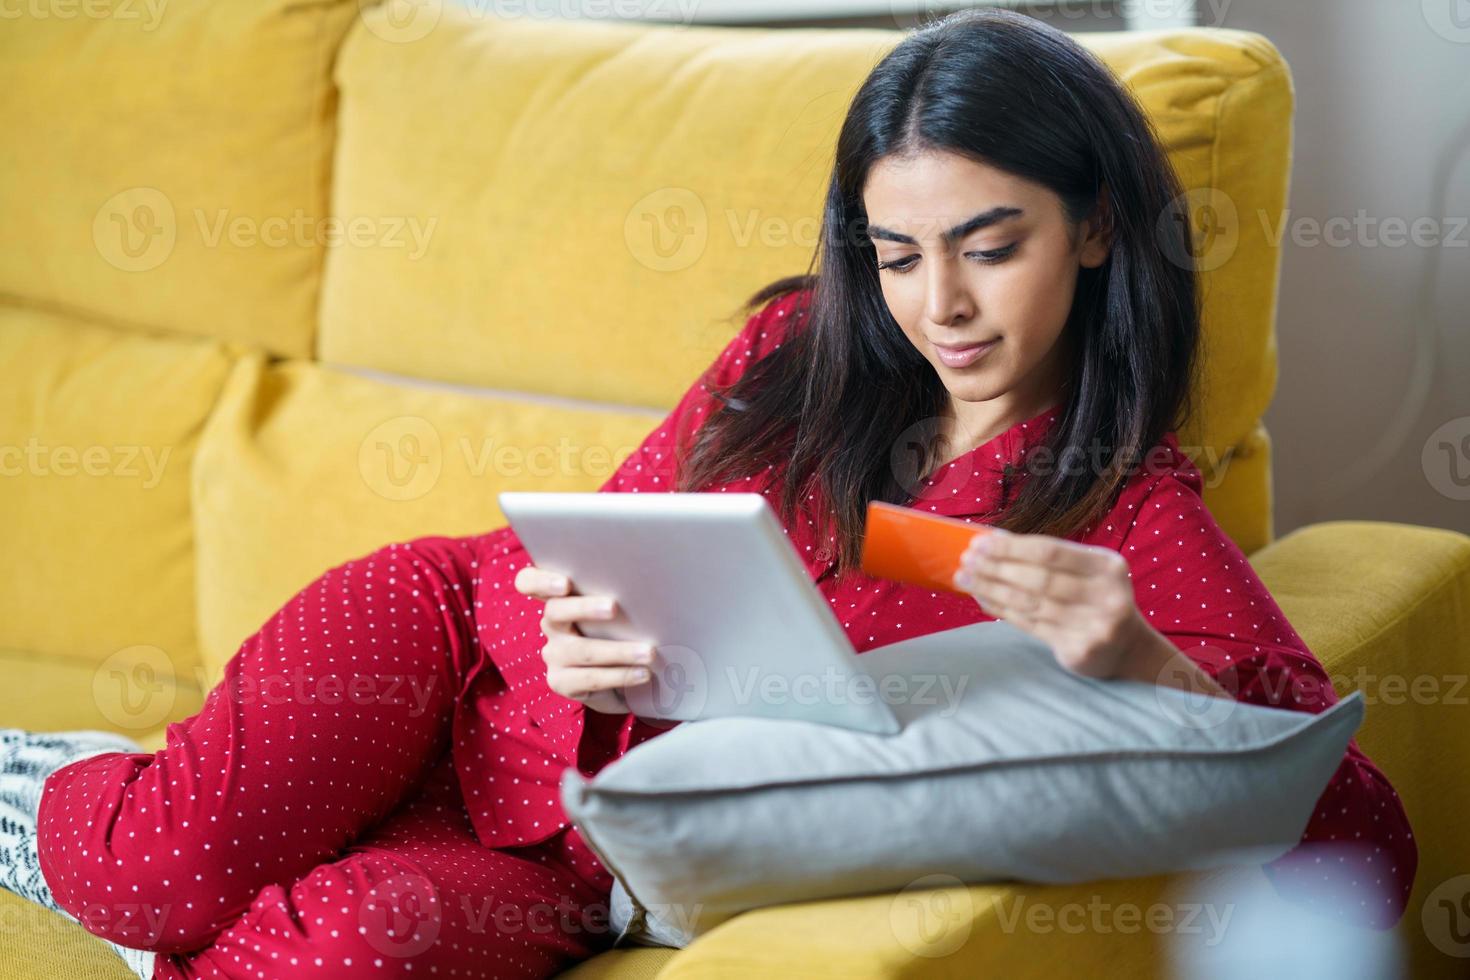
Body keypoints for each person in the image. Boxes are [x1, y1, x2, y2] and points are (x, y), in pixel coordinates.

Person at [0, 7, 1415, 979]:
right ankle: (44, 780)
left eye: (990, 247)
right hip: (445, 643)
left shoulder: (1129, 515)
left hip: (593, 845)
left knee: (363, 937)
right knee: (152, 871)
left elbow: (1363, 839)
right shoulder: (798, 349)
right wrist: (558, 623)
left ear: (1096, 225)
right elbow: (605, 532)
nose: (942, 306)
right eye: (897, 252)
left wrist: (1146, 666)